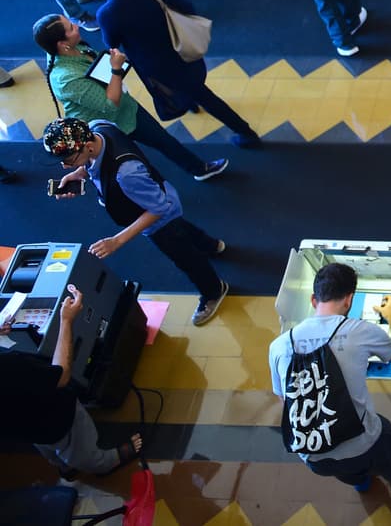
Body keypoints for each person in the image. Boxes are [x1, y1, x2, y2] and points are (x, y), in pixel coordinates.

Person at [43, 117, 231, 326]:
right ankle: (211, 245)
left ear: (87, 147)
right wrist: (79, 172)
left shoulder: (126, 174)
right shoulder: (98, 127)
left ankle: (214, 290)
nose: (64, 165)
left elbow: (159, 208)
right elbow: (95, 162)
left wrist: (117, 241)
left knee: (186, 258)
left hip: (159, 220)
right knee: (182, 228)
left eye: (69, 159)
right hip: (159, 200)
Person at [268, 262, 391, 493]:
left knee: (345, 470)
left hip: (312, 454)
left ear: (314, 300)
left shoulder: (278, 346)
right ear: (349, 300)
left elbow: (285, 399)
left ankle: (360, 482)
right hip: (362, 444)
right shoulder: (359, 330)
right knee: (384, 435)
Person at [86, 0, 261, 149]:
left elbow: (112, 43)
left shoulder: (107, 13)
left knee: (205, 97)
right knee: (196, 87)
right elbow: (186, 6)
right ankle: (193, 102)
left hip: (157, 66)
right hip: (182, 48)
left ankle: (246, 132)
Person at [33, 13, 229, 180]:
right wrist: (116, 70)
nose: (76, 26)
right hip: (103, 129)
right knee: (126, 163)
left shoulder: (71, 49)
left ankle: (198, 169)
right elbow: (110, 104)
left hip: (127, 110)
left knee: (163, 141)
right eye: (70, 28)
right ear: (62, 44)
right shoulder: (65, 79)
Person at [0, 285, 143, 477]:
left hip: (21, 427)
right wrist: (66, 321)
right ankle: (105, 463)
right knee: (82, 450)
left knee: (46, 446)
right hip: (56, 416)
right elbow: (61, 374)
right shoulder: (9, 366)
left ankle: (64, 467)